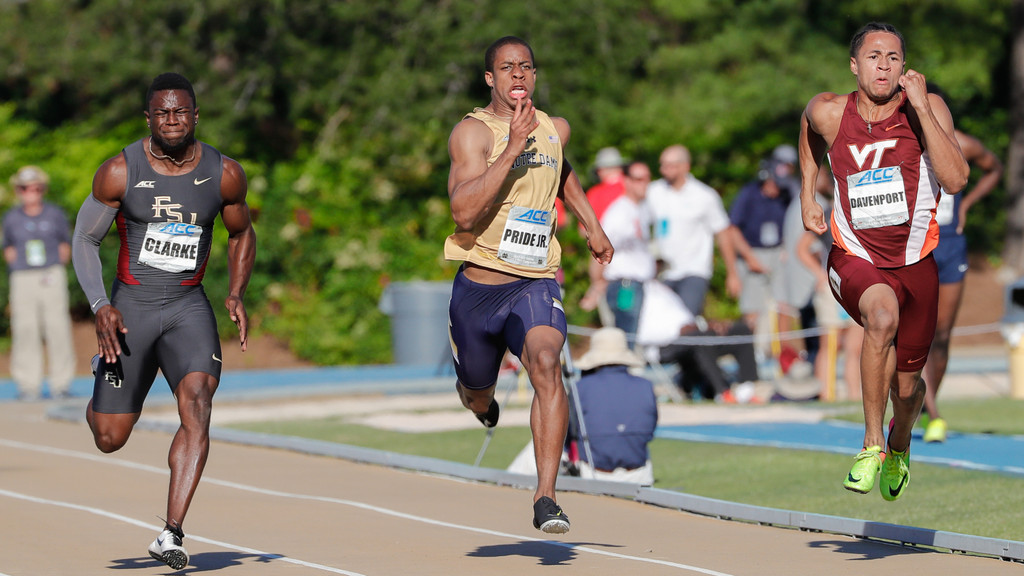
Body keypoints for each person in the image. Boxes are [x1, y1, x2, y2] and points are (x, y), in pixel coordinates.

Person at [71, 72, 256, 569]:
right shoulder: (118, 171)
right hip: (129, 310)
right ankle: (103, 387)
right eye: (162, 113)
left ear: (196, 116)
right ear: (148, 118)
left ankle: (171, 533)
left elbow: (242, 233)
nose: (172, 120)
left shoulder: (224, 173)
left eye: (181, 112)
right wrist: (98, 305)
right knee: (110, 438)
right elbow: (85, 240)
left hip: (186, 307)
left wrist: (236, 291)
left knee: (197, 401)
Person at [444, 36, 613, 534]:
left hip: (534, 279)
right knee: (479, 393)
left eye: (526, 67)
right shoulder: (472, 134)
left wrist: (590, 223)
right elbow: (463, 211)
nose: (517, 75)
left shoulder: (554, 128)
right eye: (506, 68)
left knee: (546, 361)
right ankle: (476, 397)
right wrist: (513, 145)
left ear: (534, 76)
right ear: (489, 79)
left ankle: (546, 497)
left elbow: (563, 173)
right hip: (478, 287)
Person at [799, 22, 968, 501]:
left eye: (894, 58)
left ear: (904, 66)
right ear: (855, 66)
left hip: (917, 261)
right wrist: (807, 195)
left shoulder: (928, 108)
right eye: (874, 57)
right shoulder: (829, 110)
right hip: (855, 254)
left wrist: (919, 107)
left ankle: (899, 441)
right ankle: (871, 443)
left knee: (909, 389)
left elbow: (955, 180)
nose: (884, 66)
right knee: (881, 317)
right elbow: (808, 131)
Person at [920, 83, 1004, 443]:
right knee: (915, 333)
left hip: (951, 243)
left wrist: (966, 205)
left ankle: (928, 404)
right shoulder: (902, 142)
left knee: (941, 335)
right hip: (916, 243)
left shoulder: (963, 144)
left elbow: (994, 168)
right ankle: (931, 411)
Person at [3, 165, 75, 401]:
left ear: (41, 189)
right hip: (23, 276)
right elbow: (9, 249)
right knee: (25, 329)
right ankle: (28, 384)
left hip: (51, 274)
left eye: (34, 188)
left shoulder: (54, 214)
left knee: (57, 327)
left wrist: (55, 268)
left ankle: (61, 383)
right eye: (24, 188)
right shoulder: (11, 217)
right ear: (18, 190)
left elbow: (66, 245)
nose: (30, 192)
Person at [647, 144, 740, 316]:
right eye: (662, 165)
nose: (664, 170)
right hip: (663, 273)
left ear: (685, 166)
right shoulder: (654, 191)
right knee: (662, 323)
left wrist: (732, 273)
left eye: (670, 165)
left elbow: (723, 233)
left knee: (684, 321)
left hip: (694, 271)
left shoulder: (704, 195)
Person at [637, 280, 761, 404]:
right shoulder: (636, 292)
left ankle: (746, 391)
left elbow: (687, 321)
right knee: (699, 339)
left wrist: (709, 325)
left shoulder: (662, 288)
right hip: (664, 346)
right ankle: (722, 392)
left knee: (740, 330)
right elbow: (642, 333)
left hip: (694, 333)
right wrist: (682, 331)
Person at [570, 327, 658, 484]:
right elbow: (650, 429)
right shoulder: (645, 386)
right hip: (638, 471)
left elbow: (570, 430)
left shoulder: (580, 388)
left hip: (593, 470)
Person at [724, 155, 795, 340]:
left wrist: (787, 249)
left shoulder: (785, 195)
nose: (777, 188)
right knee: (753, 308)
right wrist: (749, 258)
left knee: (783, 304)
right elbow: (733, 229)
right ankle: (753, 351)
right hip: (753, 252)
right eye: (774, 183)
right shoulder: (748, 194)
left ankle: (783, 354)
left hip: (778, 253)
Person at [584, 160, 655, 336]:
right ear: (627, 181)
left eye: (647, 178)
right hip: (625, 286)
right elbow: (599, 248)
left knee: (634, 340)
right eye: (639, 179)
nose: (645, 184)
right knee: (625, 341)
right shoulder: (619, 212)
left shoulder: (642, 209)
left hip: (636, 284)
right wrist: (597, 284)